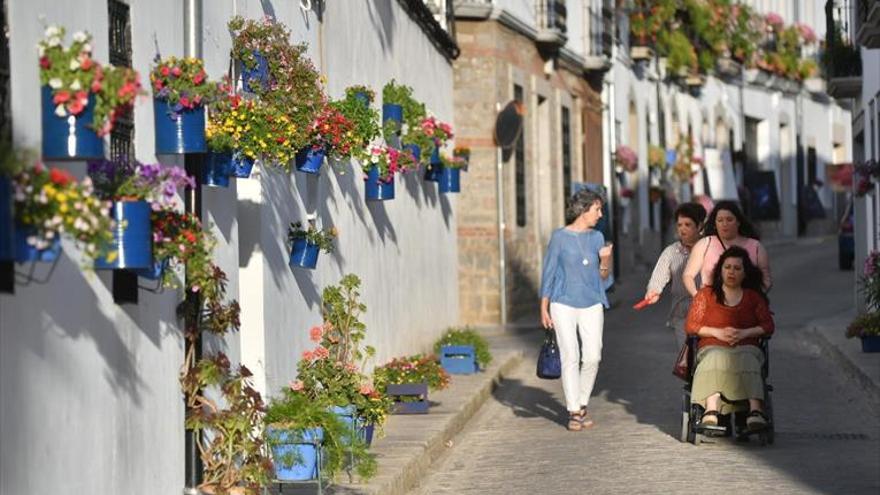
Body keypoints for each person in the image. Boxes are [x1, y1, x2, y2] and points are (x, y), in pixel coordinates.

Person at [540, 188, 613, 432]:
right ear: (583, 210)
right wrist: (544, 306)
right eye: (597, 209)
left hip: (592, 301)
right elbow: (549, 271)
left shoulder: (598, 238)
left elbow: (603, 277)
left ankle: (582, 402)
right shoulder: (559, 237)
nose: (600, 214)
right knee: (570, 355)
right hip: (562, 302)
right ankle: (574, 410)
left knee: (593, 356)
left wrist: (605, 261)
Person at [685, 246, 775, 431]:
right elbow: (691, 325)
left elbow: (768, 326)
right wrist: (716, 332)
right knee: (715, 358)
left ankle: (755, 411)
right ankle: (711, 410)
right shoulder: (706, 296)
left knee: (748, 359)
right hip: (713, 345)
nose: (731, 272)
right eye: (727, 267)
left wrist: (745, 333)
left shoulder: (753, 297)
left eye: (737, 268)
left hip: (746, 345)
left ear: (745, 273)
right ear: (720, 270)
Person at [644, 202, 707, 350]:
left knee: (706, 356)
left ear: (699, 226)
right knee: (687, 356)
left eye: (688, 225)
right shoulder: (671, 252)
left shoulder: (709, 248)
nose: (683, 229)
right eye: (680, 225)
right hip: (682, 311)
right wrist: (653, 290)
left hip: (708, 310)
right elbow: (658, 276)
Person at [683, 200, 771, 297]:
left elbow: (766, 279)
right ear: (715, 224)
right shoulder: (704, 244)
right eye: (720, 220)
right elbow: (688, 275)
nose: (724, 224)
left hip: (746, 307)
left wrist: (754, 299)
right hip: (712, 305)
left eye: (729, 220)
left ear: (738, 222)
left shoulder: (756, 247)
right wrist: (698, 297)